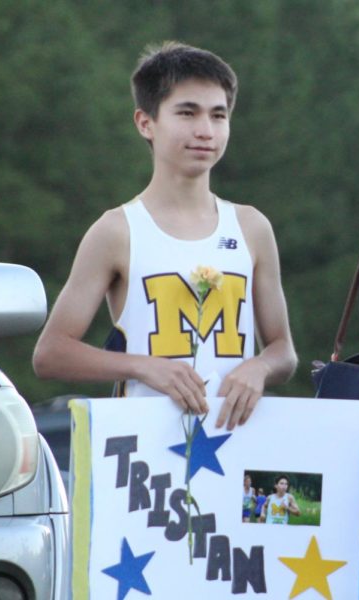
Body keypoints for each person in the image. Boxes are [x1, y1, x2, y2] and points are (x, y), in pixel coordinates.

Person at [32, 41, 297, 430]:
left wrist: (258, 368)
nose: (205, 130)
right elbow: (51, 354)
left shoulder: (251, 227)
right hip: (141, 453)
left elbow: (283, 351)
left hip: (233, 440)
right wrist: (143, 367)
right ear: (145, 122)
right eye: (187, 113)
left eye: (218, 115)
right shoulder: (117, 230)